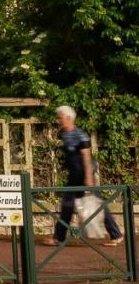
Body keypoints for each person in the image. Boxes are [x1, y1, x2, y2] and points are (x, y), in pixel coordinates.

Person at [49, 105, 123, 247]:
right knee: (67, 205)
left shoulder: (80, 135)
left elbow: (86, 157)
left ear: (69, 118)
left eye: (60, 117)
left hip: (84, 175)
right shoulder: (63, 133)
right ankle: (58, 238)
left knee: (98, 205)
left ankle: (116, 235)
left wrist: (88, 177)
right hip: (73, 176)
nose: (58, 120)